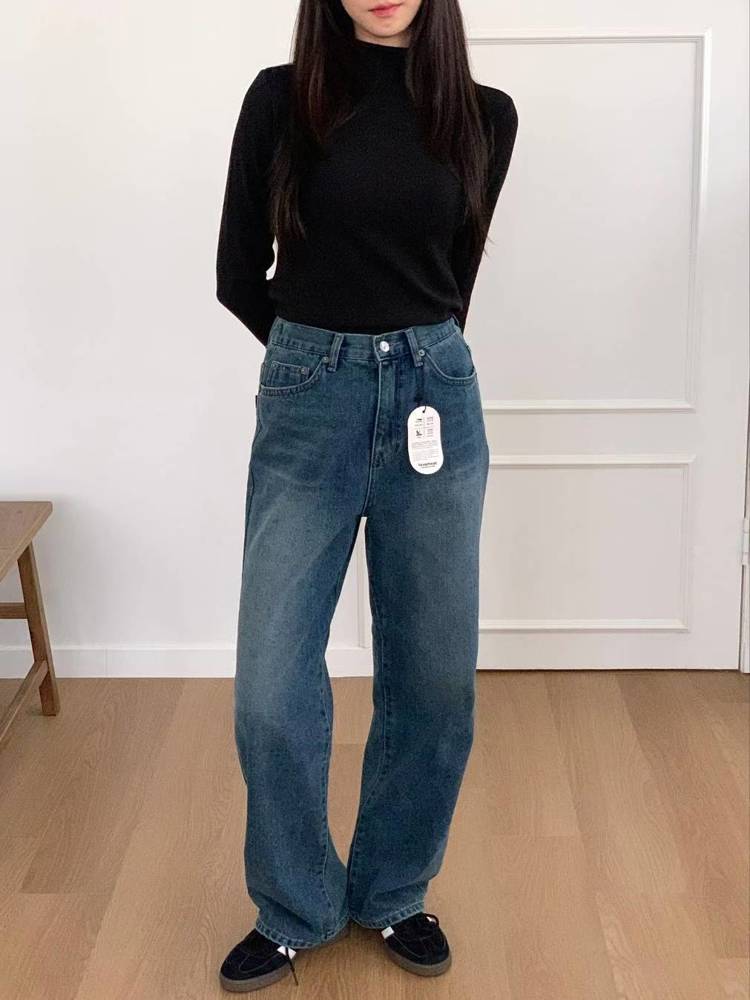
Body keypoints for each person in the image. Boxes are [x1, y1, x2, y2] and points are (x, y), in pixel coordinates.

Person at [215, 0, 518, 991]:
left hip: (435, 392)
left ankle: (393, 891)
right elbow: (236, 272)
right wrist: (318, 361)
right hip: (310, 395)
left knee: (434, 683)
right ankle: (297, 903)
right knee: (270, 688)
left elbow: (452, 278)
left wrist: (403, 357)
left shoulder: (485, 114)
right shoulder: (281, 100)